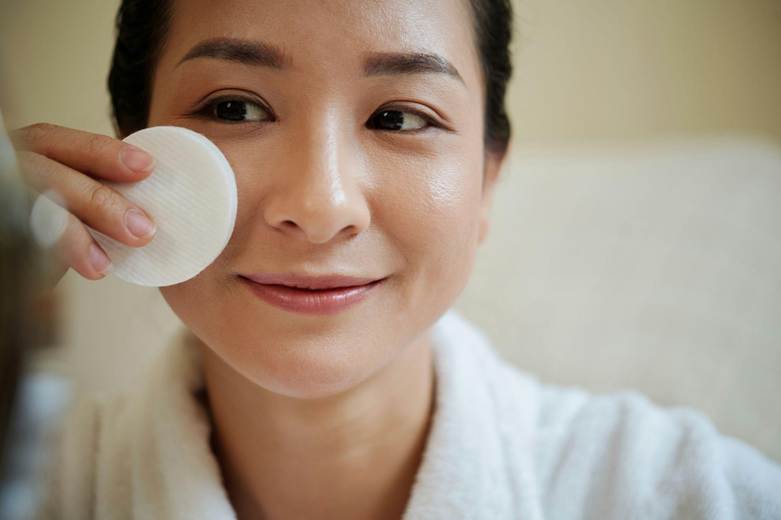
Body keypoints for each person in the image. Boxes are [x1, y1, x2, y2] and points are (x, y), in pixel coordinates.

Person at [9, 1, 781, 518]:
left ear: (486, 178)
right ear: (126, 152)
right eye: (234, 108)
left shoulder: (677, 493)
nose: (320, 205)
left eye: (401, 116)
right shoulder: (40, 491)